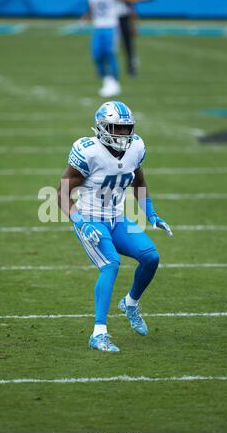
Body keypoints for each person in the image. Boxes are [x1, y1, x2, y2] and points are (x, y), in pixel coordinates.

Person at [57, 101, 172, 352]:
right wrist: (80, 222)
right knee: (110, 264)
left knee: (151, 257)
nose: (123, 134)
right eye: (116, 128)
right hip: (90, 219)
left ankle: (130, 303)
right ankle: (98, 334)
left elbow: (138, 180)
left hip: (117, 218)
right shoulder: (88, 151)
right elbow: (61, 194)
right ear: (101, 127)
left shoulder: (136, 147)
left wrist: (151, 214)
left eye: (126, 128)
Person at [83, 0, 150, 97]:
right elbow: (92, 7)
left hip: (111, 26)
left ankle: (114, 81)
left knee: (110, 53)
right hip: (98, 27)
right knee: (97, 54)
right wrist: (86, 16)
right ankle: (105, 78)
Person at [116, 0, 157, 77]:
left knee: (128, 45)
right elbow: (130, 0)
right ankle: (111, 69)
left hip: (123, 18)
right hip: (112, 19)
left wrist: (134, 23)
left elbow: (132, 7)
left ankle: (131, 68)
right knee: (113, 45)